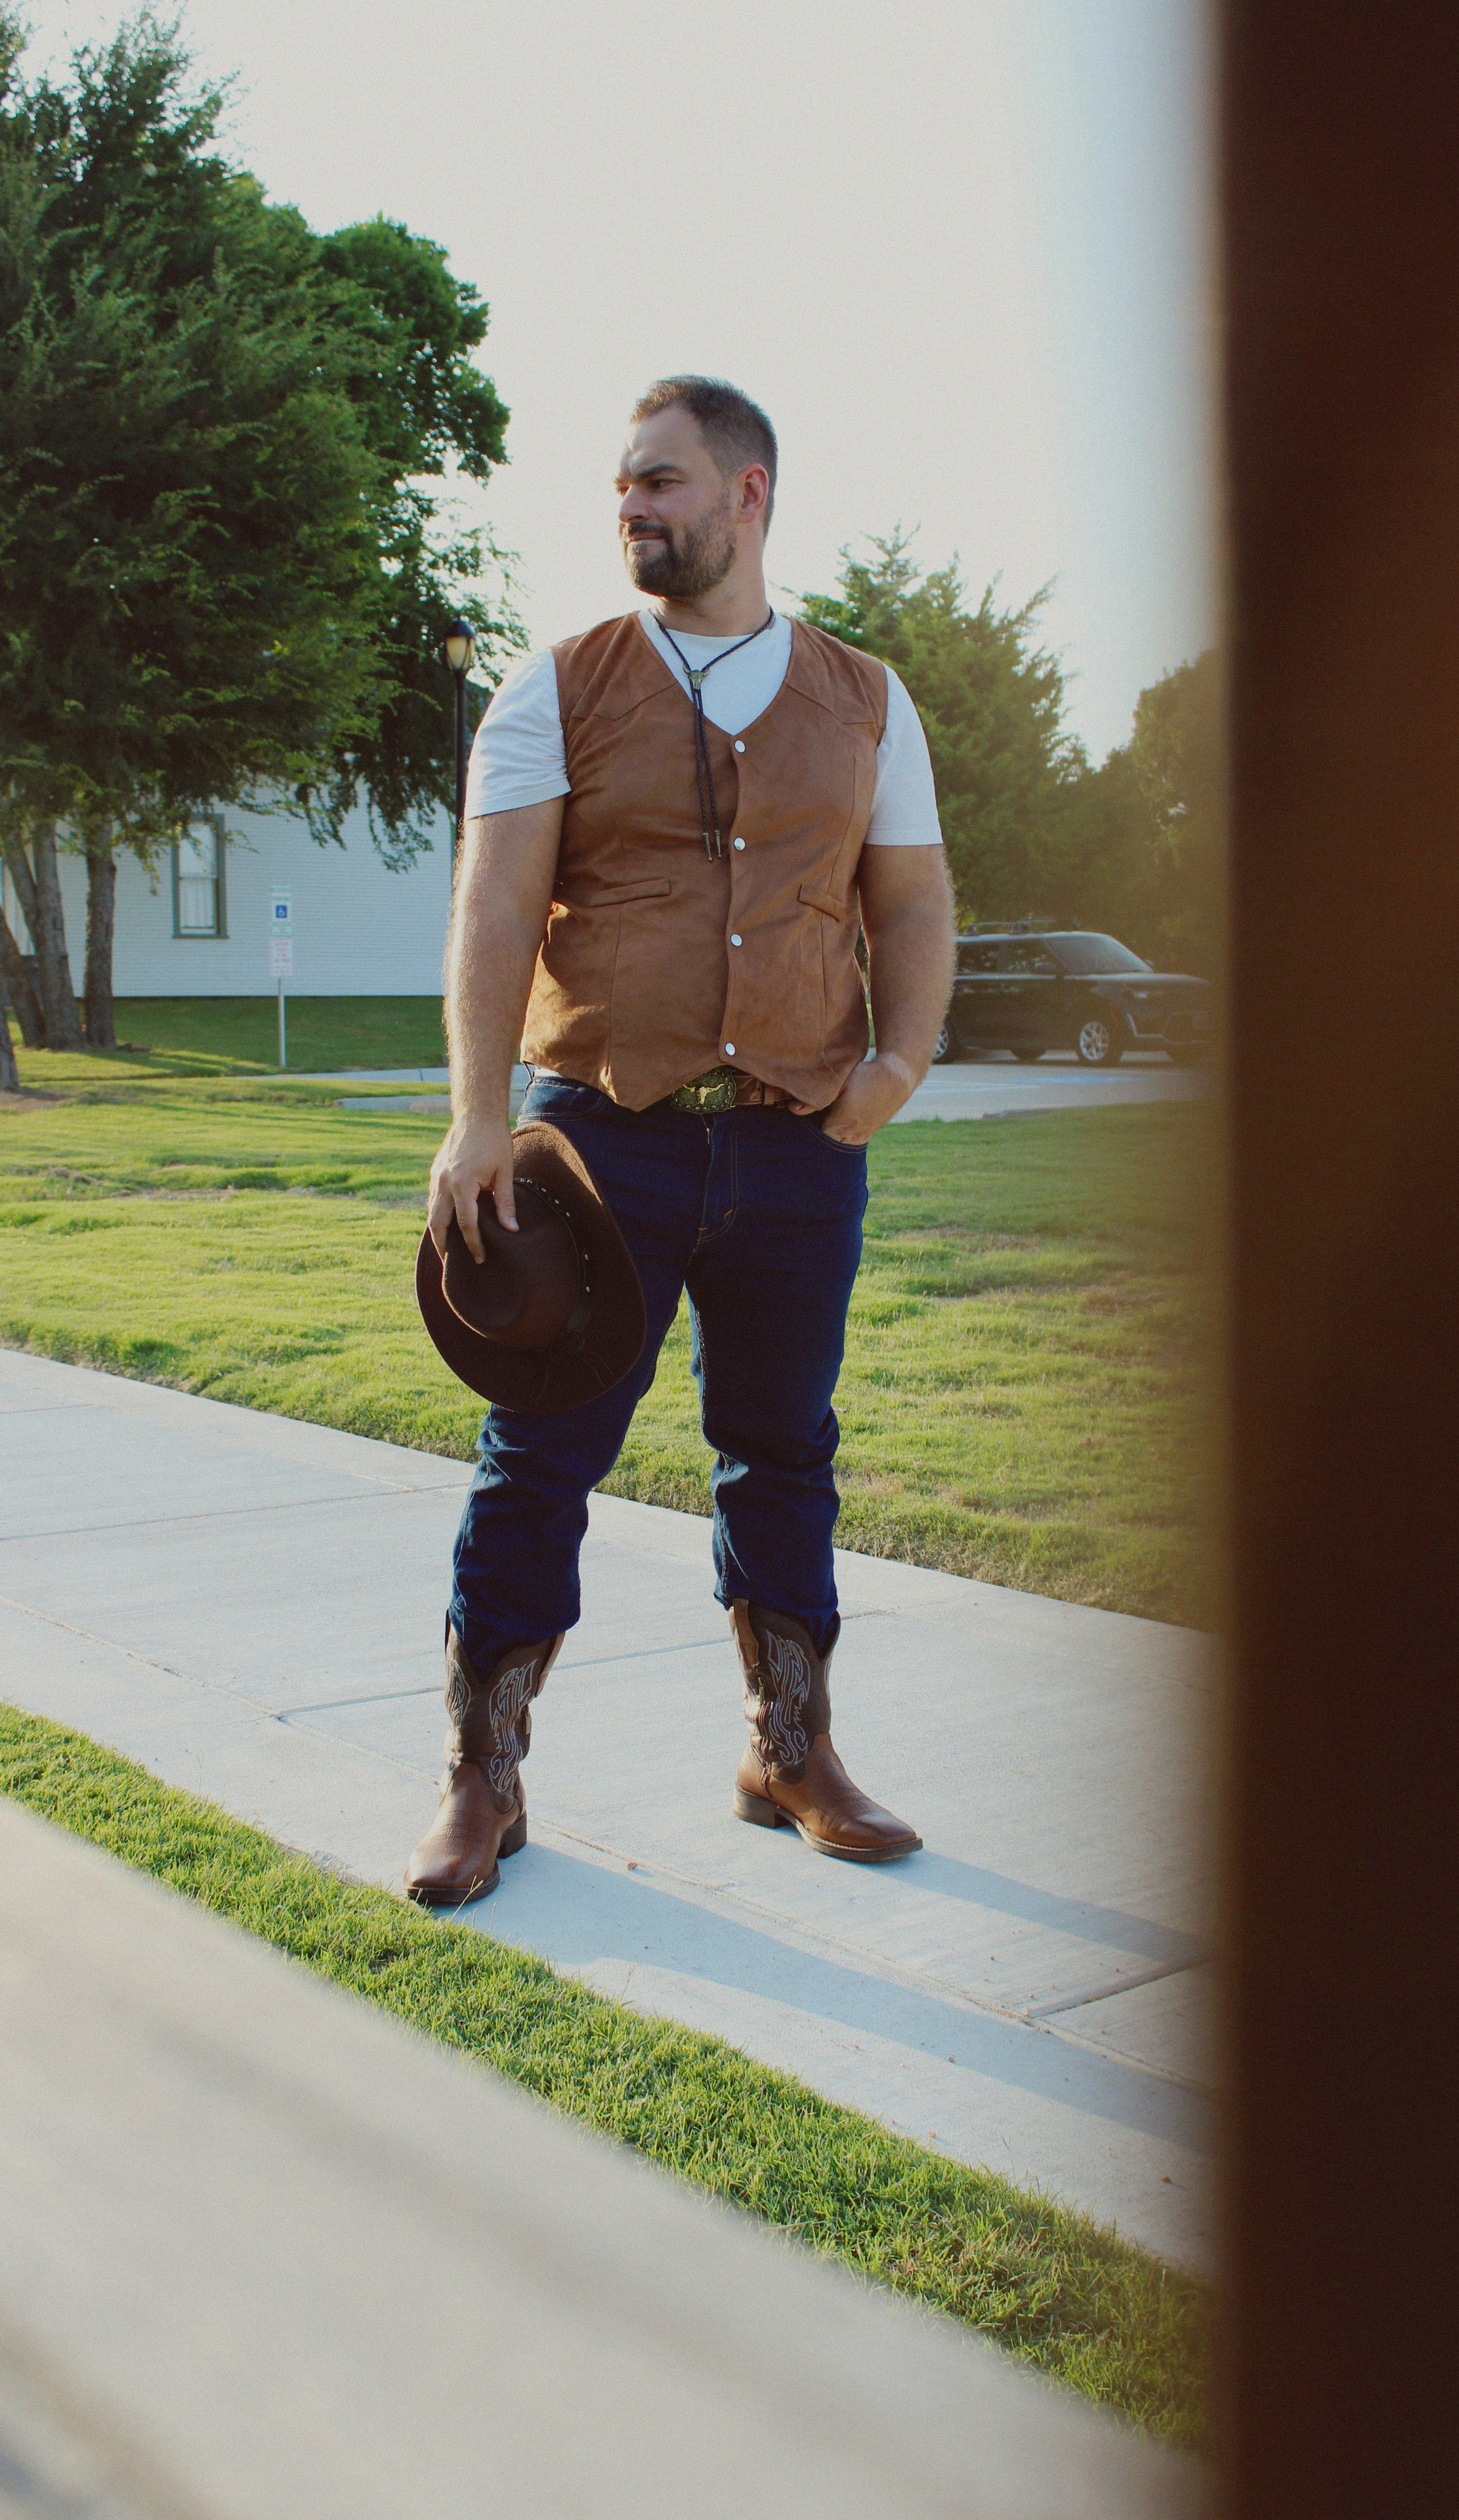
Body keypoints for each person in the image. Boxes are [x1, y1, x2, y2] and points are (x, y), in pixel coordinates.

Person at [408, 375, 954, 1906]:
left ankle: (789, 1746)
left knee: (782, 1452)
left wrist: (895, 1064)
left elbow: (907, 901)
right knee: (538, 1455)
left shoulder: (864, 698)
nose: (633, 510)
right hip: (597, 1141)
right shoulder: (555, 685)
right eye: (622, 490)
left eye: (660, 483)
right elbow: (494, 910)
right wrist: (474, 1118)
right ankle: (481, 1775)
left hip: (796, 1145)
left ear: (747, 495)